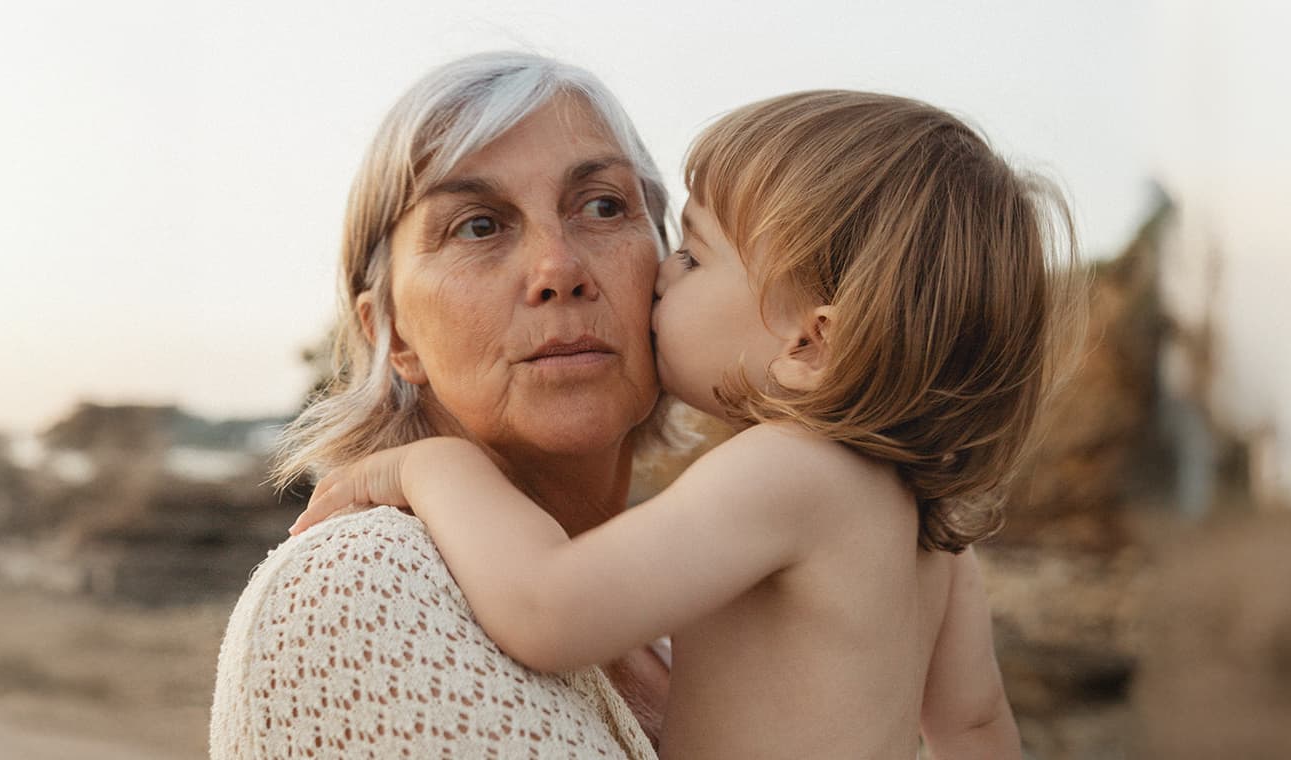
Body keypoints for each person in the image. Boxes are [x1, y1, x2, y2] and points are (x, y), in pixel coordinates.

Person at [297, 89, 1063, 760]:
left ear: (810, 343)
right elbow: (975, 726)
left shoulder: (782, 472)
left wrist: (429, 468)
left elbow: (550, 608)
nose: (662, 273)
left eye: (695, 258)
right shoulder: (926, 525)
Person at [206, 51, 677, 759]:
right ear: (391, 334)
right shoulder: (363, 584)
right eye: (479, 226)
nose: (559, 270)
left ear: (668, 271)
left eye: (604, 206)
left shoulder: (671, 611)